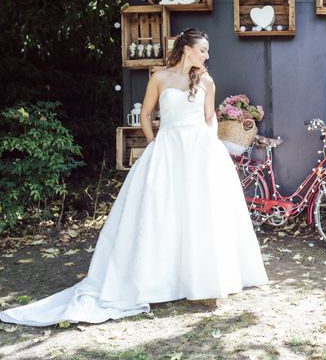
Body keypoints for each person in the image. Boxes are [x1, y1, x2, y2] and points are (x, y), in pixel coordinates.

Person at [0, 28, 269, 327]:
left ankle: (204, 284)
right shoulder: (160, 77)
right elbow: (146, 114)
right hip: (166, 149)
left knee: (198, 213)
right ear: (187, 49)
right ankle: (157, 281)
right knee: (160, 214)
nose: (207, 56)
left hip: (199, 152)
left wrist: (210, 153)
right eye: (203, 50)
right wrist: (155, 142)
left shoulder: (206, 81)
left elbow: (209, 119)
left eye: (207, 51)